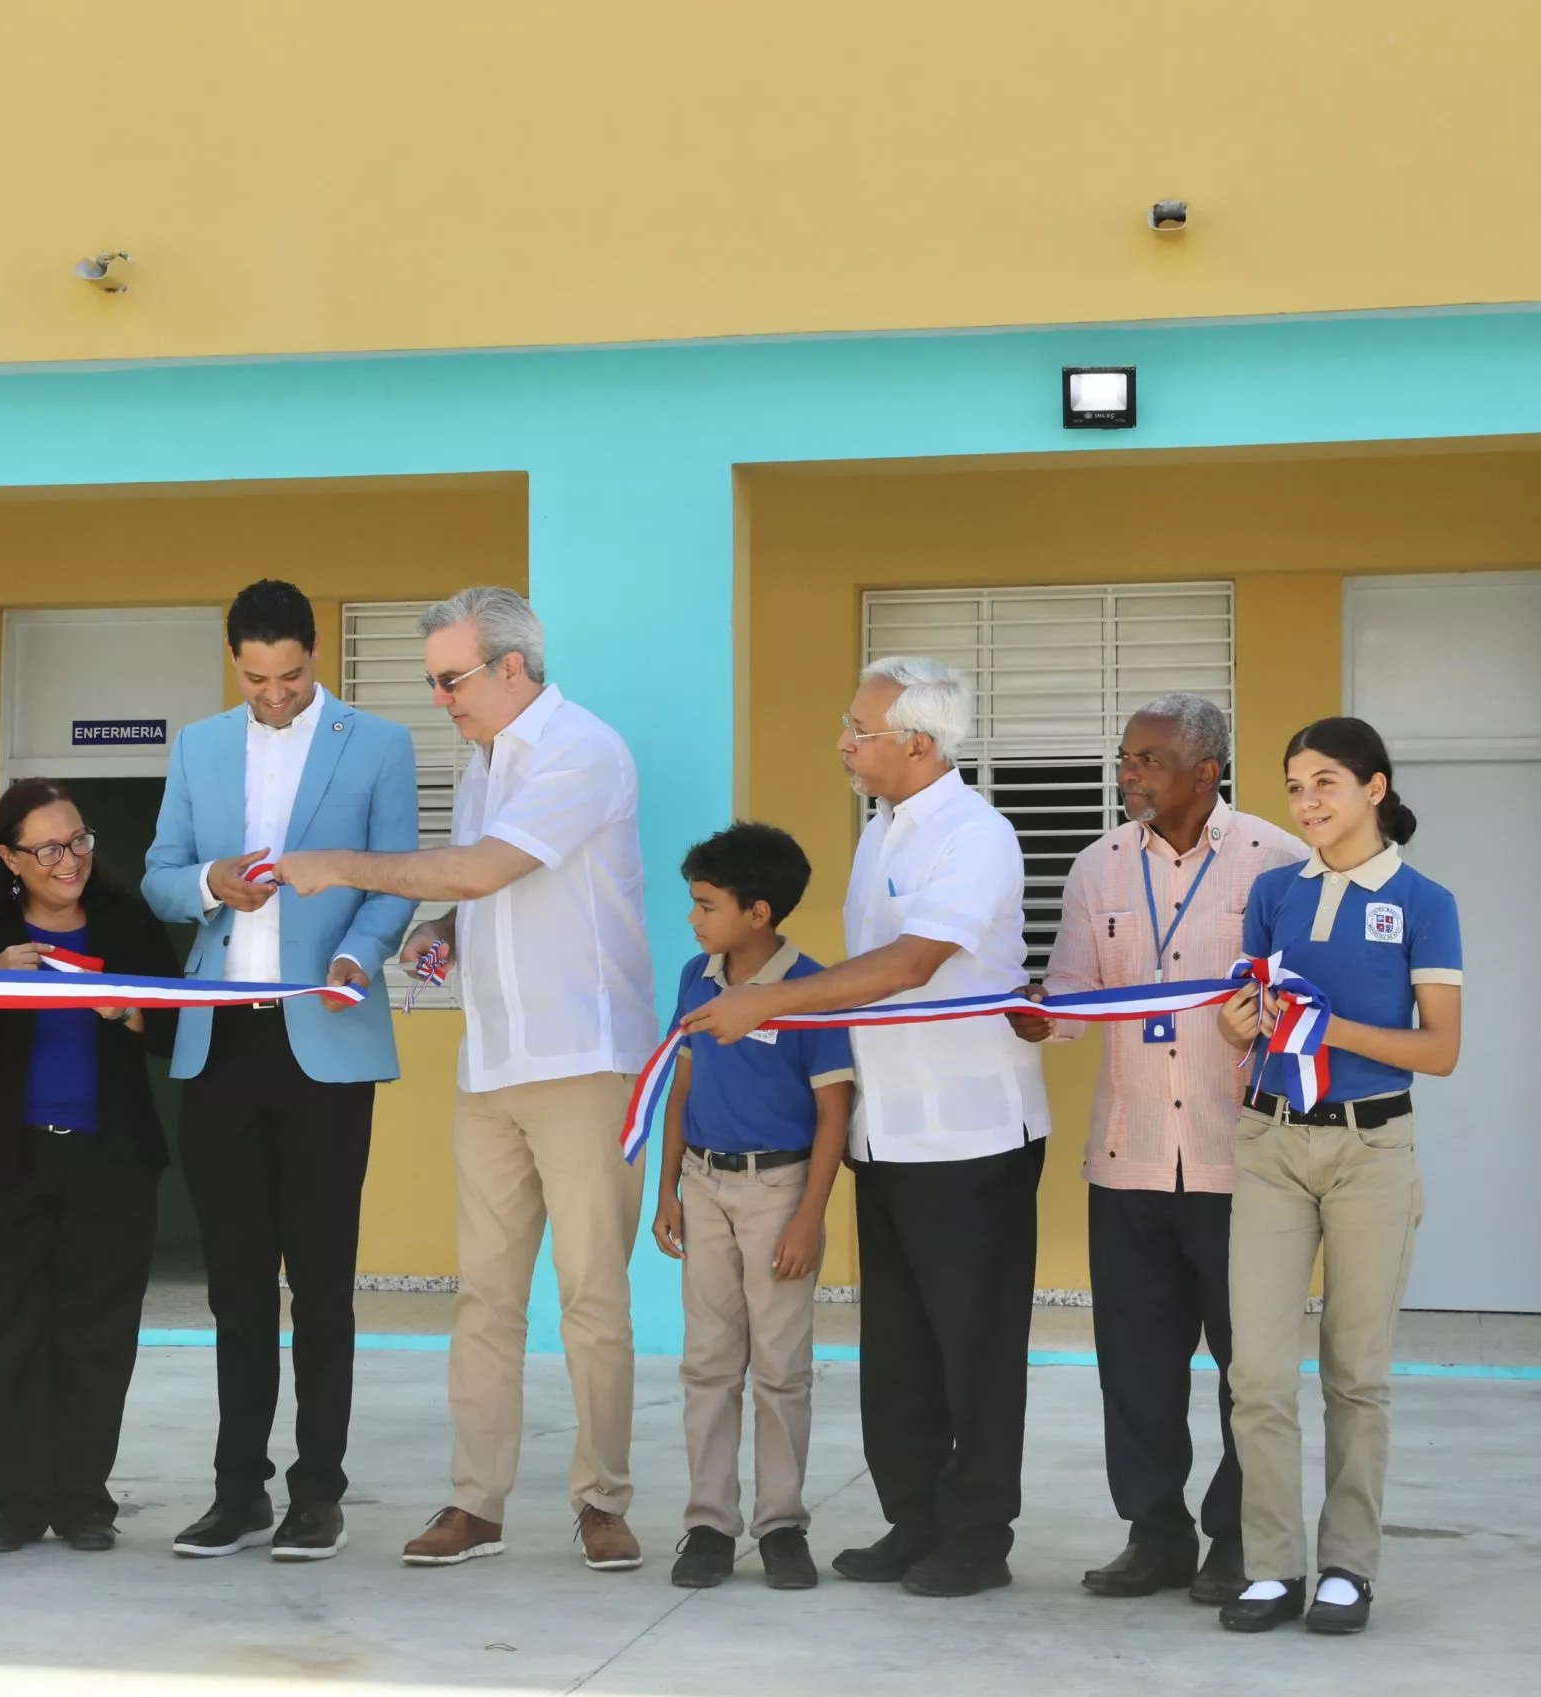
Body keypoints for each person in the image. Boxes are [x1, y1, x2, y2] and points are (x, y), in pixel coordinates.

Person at [272, 585, 660, 1572]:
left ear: (512, 668)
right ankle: (474, 1503)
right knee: (483, 1297)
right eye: (434, 682)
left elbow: (484, 869)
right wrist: (442, 939)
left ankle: (601, 1501)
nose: (441, 698)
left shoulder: (581, 749)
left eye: (452, 680)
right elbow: (482, 893)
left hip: (582, 1060)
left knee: (592, 1298)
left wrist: (338, 867)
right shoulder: (483, 760)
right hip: (490, 1062)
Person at [686, 656, 1048, 1600]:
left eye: (861, 729)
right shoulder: (881, 832)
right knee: (901, 1346)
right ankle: (914, 1519)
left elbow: (908, 964)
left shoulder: (977, 835)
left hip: (968, 1134)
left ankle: (976, 1537)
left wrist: (766, 1001)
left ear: (919, 744)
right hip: (887, 1134)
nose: (845, 743)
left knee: (973, 1347)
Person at [140, 579, 419, 1564]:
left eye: (289, 675)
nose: (272, 693)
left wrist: (360, 955)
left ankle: (318, 1492)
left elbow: (395, 877)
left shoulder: (379, 745)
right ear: (235, 663)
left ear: (315, 657)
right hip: (220, 1042)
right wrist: (206, 883)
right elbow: (158, 874)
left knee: (324, 1281)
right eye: (255, 677)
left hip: (324, 1036)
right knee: (234, 1283)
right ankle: (236, 1490)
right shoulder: (198, 746)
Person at [1009, 693, 1304, 1606]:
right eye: (1126, 756)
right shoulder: (1097, 866)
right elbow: (1072, 992)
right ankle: (1155, 1532)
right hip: (1128, 1157)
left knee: (1244, 1364)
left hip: (1239, 1157)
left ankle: (1234, 1537)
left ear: (1208, 768)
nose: (1128, 772)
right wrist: (1037, 1020)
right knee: (1135, 1364)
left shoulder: (1276, 862)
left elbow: (1299, 1004)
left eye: (1148, 758)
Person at [1213, 716, 1463, 1636]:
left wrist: (1330, 1029)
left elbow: (1440, 1049)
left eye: (1325, 782)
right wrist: (1240, 1027)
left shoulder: (1426, 901)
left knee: (1356, 1373)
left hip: (1371, 1152)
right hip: (1271, 1144)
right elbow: (1246, 1017)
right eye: (1294, 787)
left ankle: (1349, 1566)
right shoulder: (1274, 892)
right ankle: (1272, 1566)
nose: (1307, 802)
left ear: (1374, 787)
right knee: (1260, 1373)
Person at [0, 780, 181, 1555]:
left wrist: (125, 1007)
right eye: (48, 848)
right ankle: (15, 1501)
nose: (70, 859)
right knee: (5, 1332)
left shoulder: (127, 919)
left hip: (110, 1160)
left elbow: (168, 1029)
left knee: (97, 1334)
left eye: (79, 840)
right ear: (9, 856)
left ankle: (84, 1499)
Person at [649, 822, 852, 1593]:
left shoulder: (812, 989)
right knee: (707, 1362)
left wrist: (808, 1217)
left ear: (758, 912)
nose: (694, 919)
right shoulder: (695, 978)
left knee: (781, 1367)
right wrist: (667, 1188)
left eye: (705, 905)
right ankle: (708, 1521)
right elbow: (683, 1081)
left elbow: (834, 1112)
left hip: (779, 1193)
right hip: (703, 1186)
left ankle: (781, 1523)